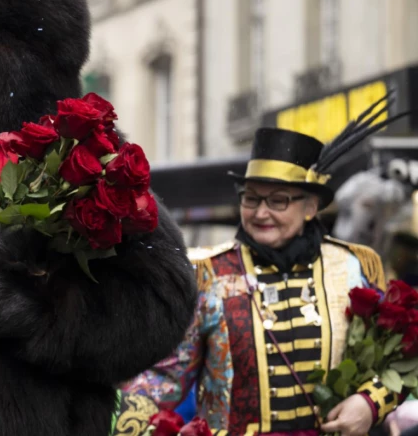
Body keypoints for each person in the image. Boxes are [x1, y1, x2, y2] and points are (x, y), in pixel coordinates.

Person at [115, 100, 409, 436]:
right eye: (251, 198)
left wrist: (370, 403)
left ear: (310, 206)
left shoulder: (351, 267)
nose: (261, 212)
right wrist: (100, 417)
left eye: (278, 200)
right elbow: (165, 378)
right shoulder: (209, 273)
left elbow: (401, 356)